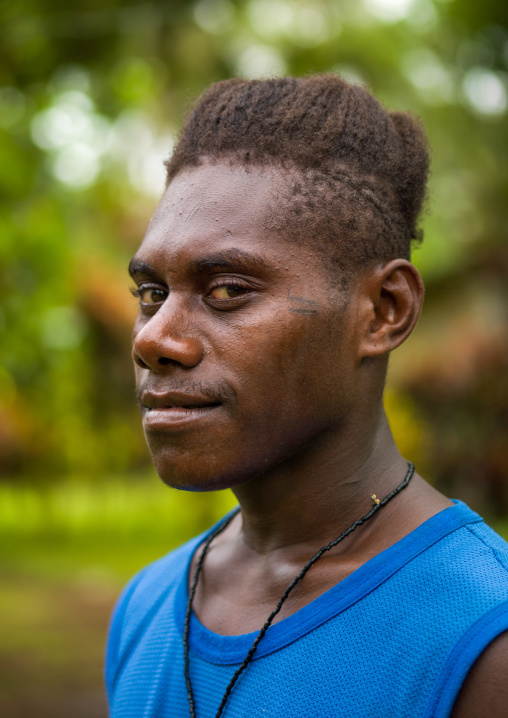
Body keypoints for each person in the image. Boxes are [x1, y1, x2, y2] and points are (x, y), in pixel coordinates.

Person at [105, 76, 508, 718]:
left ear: (383, 311)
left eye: (228, 291)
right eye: (151, 294)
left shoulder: (482, 641)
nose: (155, 338)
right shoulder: (146, 607)